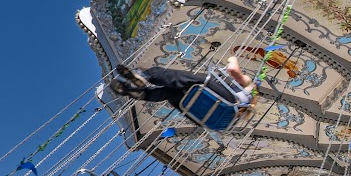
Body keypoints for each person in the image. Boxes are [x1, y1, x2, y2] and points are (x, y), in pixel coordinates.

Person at [108, 57, 256, 112]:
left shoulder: (251, 86)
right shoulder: (244, 110)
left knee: (183, 78)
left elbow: (233, 69)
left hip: (226, 101)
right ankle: (143, 93)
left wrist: (232, 58)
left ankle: (146, 76)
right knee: (175, 92)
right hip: (208, 111)